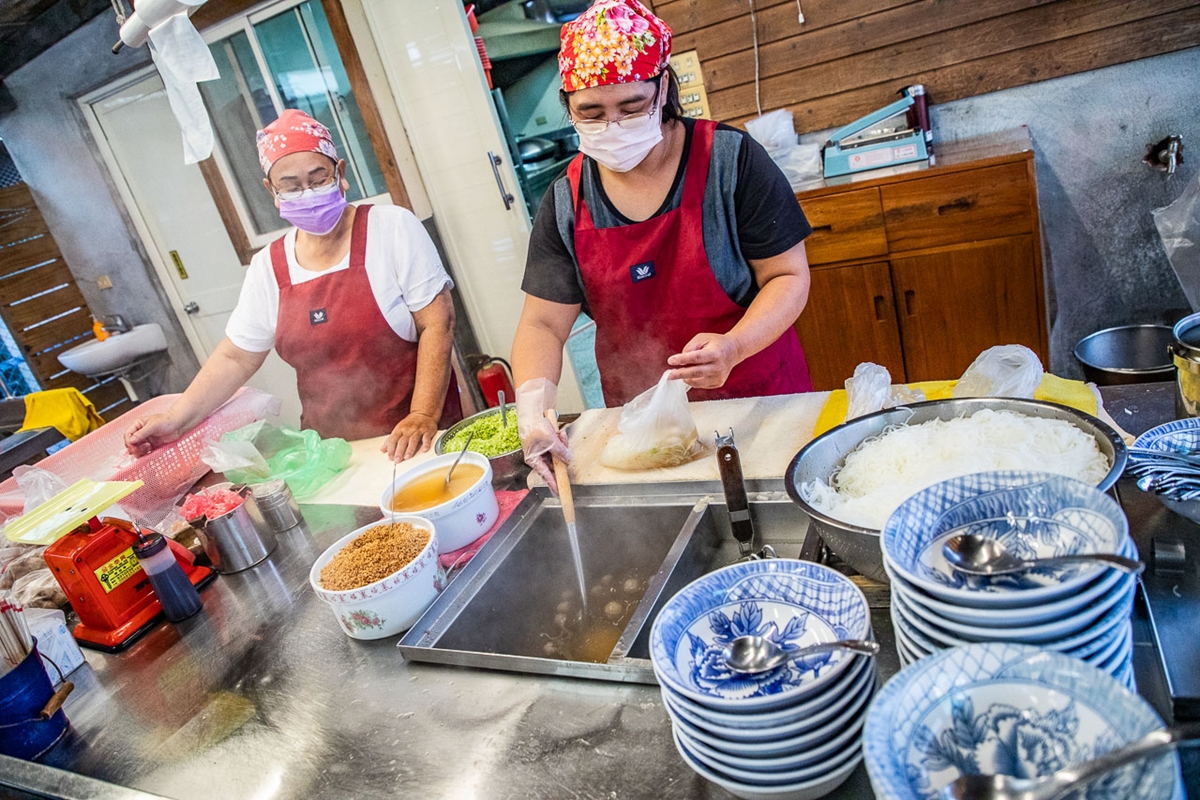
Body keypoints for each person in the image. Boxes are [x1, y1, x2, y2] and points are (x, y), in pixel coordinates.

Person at [512, 0, 813, 487]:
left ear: (664, 87)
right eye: (591, 112)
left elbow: (788, 275)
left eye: (631, 107)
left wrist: (734, 347)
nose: (612, 126)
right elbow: (543, 323)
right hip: (638, 427)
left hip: (758, 406)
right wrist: (533, 412)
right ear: (568, 106)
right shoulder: (567, 200)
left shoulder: (730, 161)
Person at [125, 109, 462, 462]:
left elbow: (438, 322)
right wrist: (175, 420)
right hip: (335, 454)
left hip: (417, 440)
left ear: (341, 174)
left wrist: (422, 414)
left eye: (319, 179)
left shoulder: (391, 227)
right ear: (272, 190)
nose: (308, 193)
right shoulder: (268, 267)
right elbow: (235, 357)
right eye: (291, 186)